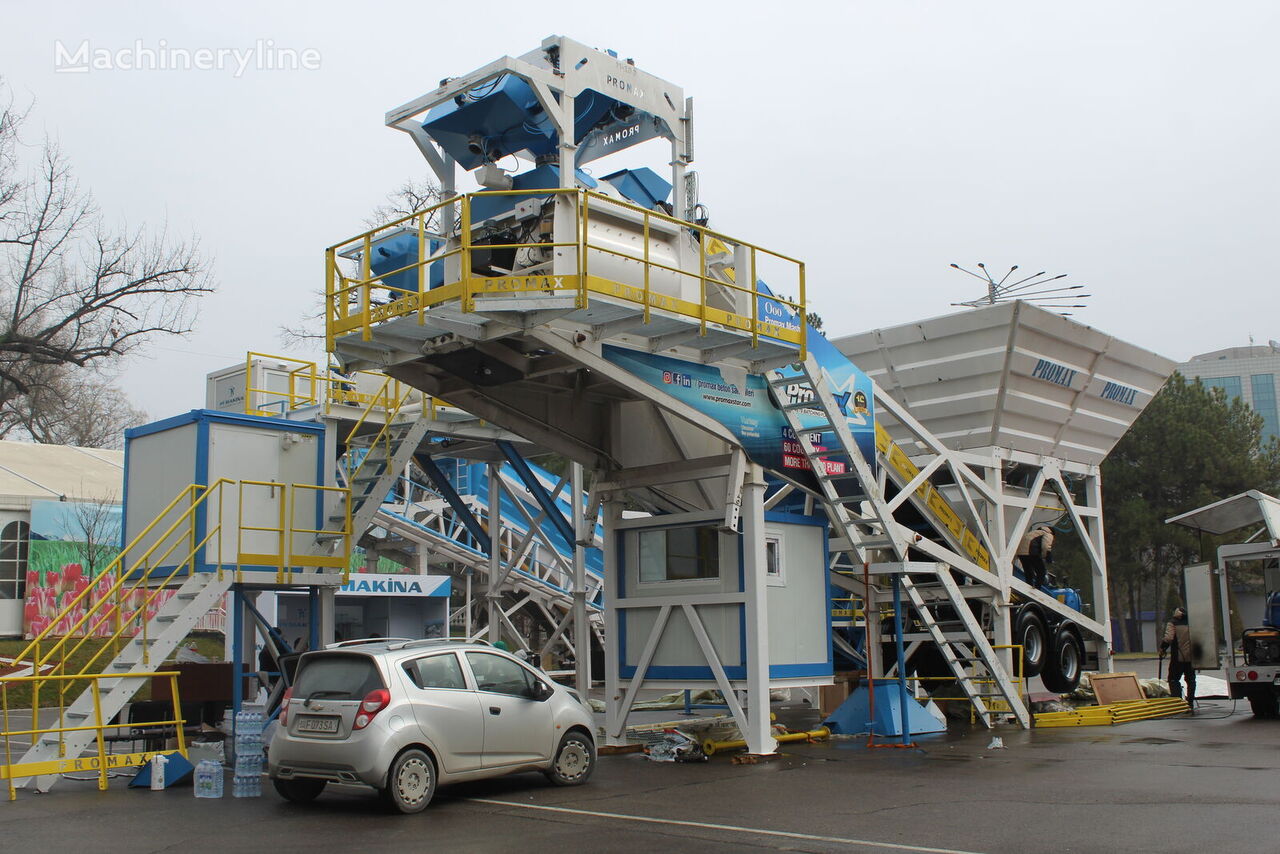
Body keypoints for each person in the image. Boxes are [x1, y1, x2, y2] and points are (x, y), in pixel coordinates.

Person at [1162, 606, 1196, 707]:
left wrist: (1162, 648)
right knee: (1191, 679)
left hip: (1178, 656)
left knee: (1173, 679)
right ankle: (1190, 702)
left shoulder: (1173, 622)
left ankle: (1177, 703)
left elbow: (1168, 638)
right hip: (1192, 657)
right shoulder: (1192, 622)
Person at [1017, 523, 1055, 589]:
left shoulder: (1034, 532)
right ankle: (1037, 589)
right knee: (1041, 571)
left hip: (1021, 553)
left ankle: (1028, 587)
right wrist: (1047, 557)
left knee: (1028, 572)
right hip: (1031, 552)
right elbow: (1046, 546)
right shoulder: (1048, 534)